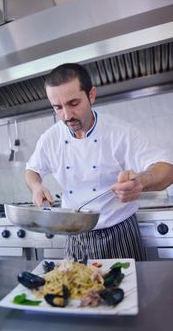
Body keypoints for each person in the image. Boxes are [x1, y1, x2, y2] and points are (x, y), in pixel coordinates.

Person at [25, 63, 173, 261]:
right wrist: (36, 186)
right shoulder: (50, 138)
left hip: (119, 234)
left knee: (125, 291)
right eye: (58, 108)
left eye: (74, 103)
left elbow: (166, 169)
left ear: (91, 95)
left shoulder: (119, 132)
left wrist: (141, 181)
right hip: (75, 236)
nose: (67, 116)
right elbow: (32, 170)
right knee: (76, 291)